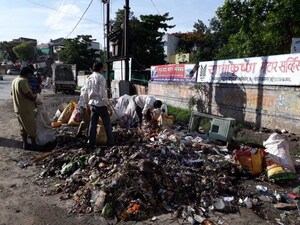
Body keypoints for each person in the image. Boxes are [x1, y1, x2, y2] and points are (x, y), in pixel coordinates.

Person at [84, 62, 115, 148]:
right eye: (103, 68)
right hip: (100, 105)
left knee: (92, 124)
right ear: (101, 68)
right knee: (107, 124)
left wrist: (87, 105)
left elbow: (85, 93)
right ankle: (111, 142)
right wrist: (108, 106)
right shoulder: (101, 77)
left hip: (92, 104)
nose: (103, 69)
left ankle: (91, 142)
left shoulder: (89, 78)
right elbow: (102, 94)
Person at [11, 66, 38, 150]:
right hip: (26, 108)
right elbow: (28, 94)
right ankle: (34, 145)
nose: (32, 76)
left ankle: (25, 144)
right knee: (31, 127)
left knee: (23, 128)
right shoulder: (23, 81)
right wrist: (35, 98)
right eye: (31, 74)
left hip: (18, 108)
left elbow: (12, 93)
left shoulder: (15, 80)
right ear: (27, 74)